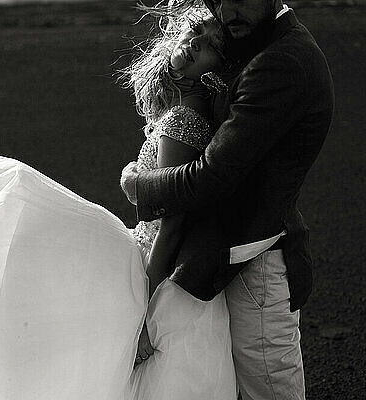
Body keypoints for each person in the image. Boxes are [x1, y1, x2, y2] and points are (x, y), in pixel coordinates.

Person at [0, 6, 239, 400]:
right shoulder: (186, 112)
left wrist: (144, 316)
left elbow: (173, 224)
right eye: (193, 33)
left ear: (217, 68)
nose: (192, 45)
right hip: (153, 262)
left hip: (159, 277)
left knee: (20, 200)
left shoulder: (185, 119)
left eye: (207, 47)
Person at [121, 0, 334, 399]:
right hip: (226, 259)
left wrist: (138, 185)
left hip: (257, 264)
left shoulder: (283, 60)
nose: (226, 9)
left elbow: (212, 178)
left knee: (267, 390)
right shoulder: (253, 41)